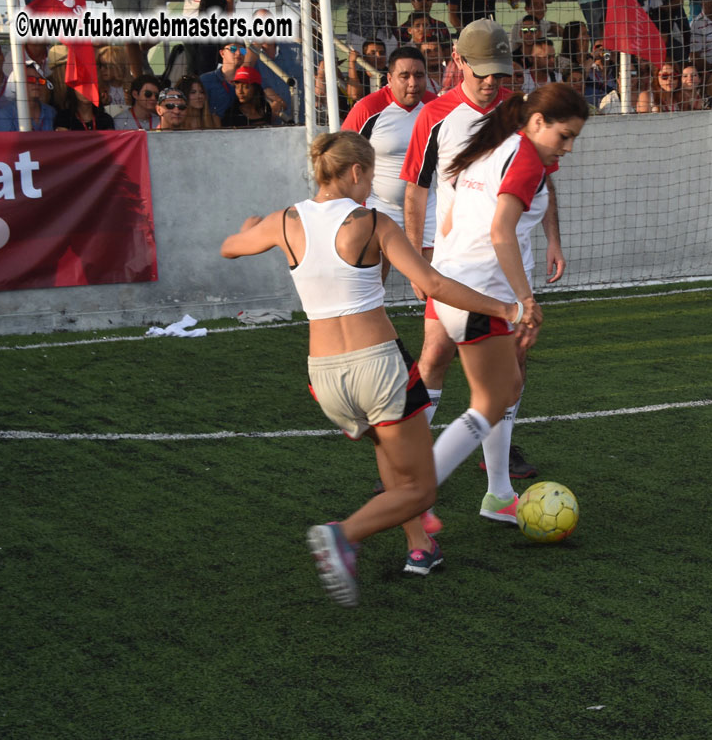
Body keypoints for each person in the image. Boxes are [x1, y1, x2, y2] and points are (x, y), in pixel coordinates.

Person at [219, 130, 534, 605]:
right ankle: (342, 535)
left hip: (324, 380)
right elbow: (432, 283)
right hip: (378, 370)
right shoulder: (371, 222)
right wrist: (507, 309)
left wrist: (251, 226)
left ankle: (420, 546)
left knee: (390, 450)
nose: (369, 189)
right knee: (422, 488)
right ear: (355, 172)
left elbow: (230, 246)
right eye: (369, 179)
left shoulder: (284, 221)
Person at [401, 18, 561, 495]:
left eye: (501, 71)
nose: (493, 81)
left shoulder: (520, 113)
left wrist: (554, 238)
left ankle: (497, 468)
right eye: (483, 71)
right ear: (458, 61)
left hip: (510, 262)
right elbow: (415, 192)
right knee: (434, 356)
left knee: (514, 364)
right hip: (455, 265)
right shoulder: (435, 115)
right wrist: (416, 260)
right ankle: (408, 463)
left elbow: (541, 182)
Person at [429, 83, 586, 523]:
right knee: (492, 399)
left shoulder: (497, 145)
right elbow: (500, 231)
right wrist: (523, 300)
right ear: (538, 123)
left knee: (506, 388)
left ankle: (498, 494)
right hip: (480, 293)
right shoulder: (524, 158)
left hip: (460, 285)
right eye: (564, 136)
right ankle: (414, 494)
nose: (569, 148)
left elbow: (454, 217)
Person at [342, 46, 437, 256]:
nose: (413, 83)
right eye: (404, 76)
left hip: (428, 206)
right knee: (373, 279)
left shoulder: (436, 107)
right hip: (380, 205)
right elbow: (341, 154)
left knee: (432, 280)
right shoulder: (368, 108)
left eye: (419, 75)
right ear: (390, 78)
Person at [0, 64, 56, 131]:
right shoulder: (5, 115)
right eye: (30, 79)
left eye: (40, 80)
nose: (37, 83)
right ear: (16, 83)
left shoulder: (51, 112)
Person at [201, 41, 248, 118]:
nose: (239, 53)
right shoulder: (206, 80)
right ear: (222, 53)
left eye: (243, 50)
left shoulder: (249, 81)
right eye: (233, 49)